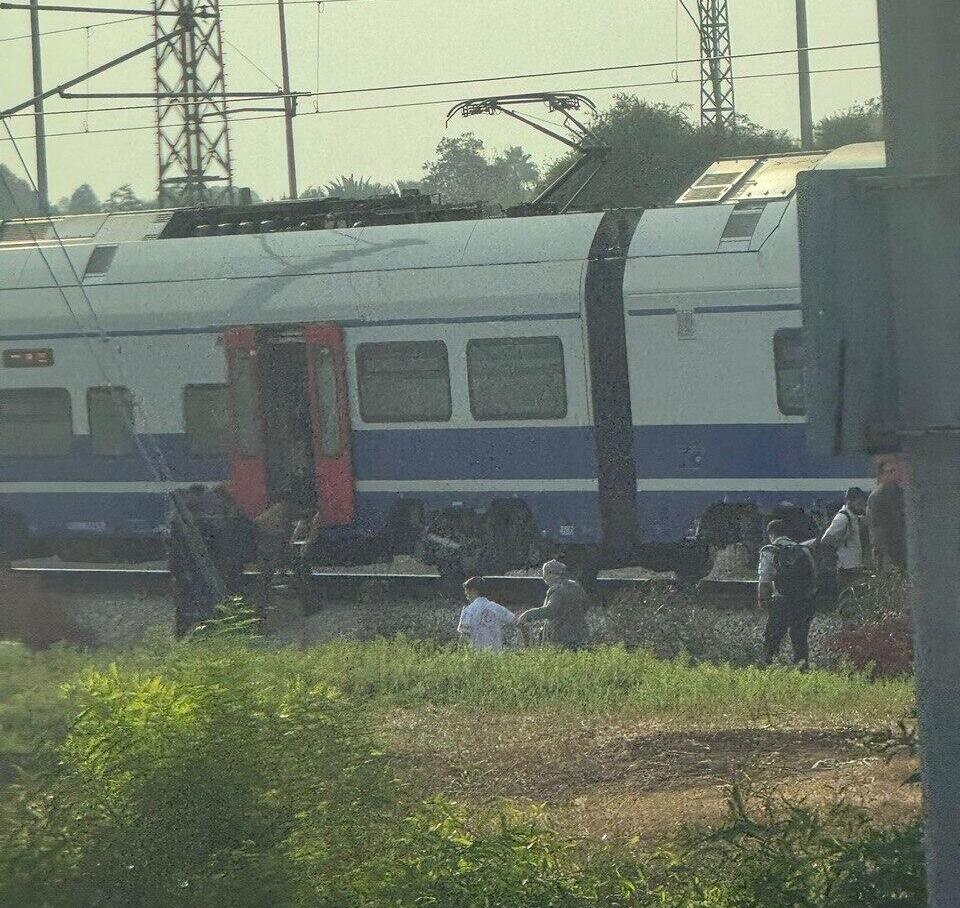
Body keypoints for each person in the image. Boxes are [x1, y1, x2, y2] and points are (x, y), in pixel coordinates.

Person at [757, 519, 818, 668]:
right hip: (803, 600)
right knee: (800, 638)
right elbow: (814, 575)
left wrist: (762, 600)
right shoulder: (803, 550)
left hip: (781, 601)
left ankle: (768, 667)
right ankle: (802, 667)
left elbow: (765, 580)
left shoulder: (770, 550)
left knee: (772, 637)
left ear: (771, 534)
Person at [516, 559, 590, 650]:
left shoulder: (556, 590)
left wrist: (528, 614)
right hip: (580, 635)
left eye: (545, 573)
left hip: (562, 639)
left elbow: (550, 611)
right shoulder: (576, 586)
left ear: (553, 574)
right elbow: (586, 605)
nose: (544, 577)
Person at [820, 487, 870, 593]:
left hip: (854, 566)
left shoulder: (854, 517)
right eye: (859, 503)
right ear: (849, 502)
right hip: (846, 568)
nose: (861, 506)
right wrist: (843, 538)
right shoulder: (843, 518)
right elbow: (826, 540)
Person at [457, 577, 517, 652]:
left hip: (476, 657)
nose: (465, 594)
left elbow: (463, 636)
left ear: (473, 591)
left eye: (467, 590)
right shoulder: (497, 608)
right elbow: (515, 621)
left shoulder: (467, 611)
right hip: (496, 657)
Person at [867, 461, 907, 571]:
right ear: (882, 474)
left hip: (903, 549)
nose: (892, 475)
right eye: (889, 472)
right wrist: (884, 555)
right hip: (887, 552)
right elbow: (876, 528)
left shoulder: (902, 493)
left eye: (894, 471)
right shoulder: (877, 496)